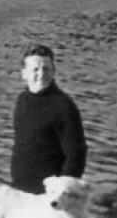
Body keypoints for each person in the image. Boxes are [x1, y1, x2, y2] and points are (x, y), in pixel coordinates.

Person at [11, 44, 87, 193]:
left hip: (50, 197)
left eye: (46, 68)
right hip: (20, 193)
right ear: (24, 74)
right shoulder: (22, 100)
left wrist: (62, 192)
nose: (41, 74)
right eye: (35, 69)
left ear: (53, 71)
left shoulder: (63, 106)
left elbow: (76, 153)